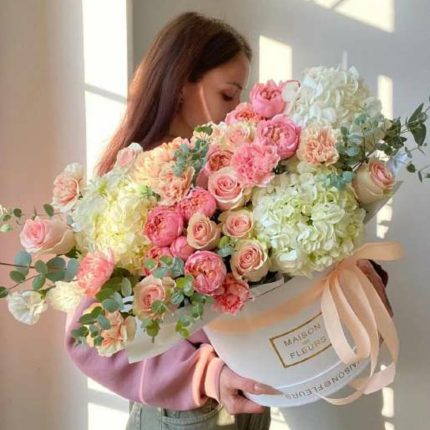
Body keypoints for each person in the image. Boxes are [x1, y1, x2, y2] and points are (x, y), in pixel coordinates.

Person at [64, 11, 393, 430]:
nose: (237, 112)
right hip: (185, 414)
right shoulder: (130, 192)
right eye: (227, 95)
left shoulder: (237, 175)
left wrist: (352, 280)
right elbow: (88, 339)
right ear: (181, 85)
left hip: (251, 401)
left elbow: (277, 280)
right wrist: (206, 375)